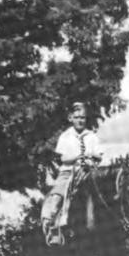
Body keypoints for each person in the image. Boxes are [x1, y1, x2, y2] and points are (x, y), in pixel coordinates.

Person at [41, 102, 103, 245]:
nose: (80, 120)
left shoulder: (92, 136)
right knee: (57, 196)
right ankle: (53, 226)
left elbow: (99, 156)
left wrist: (92, 156)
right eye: (77, 117)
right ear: (70, 118)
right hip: (68, 172)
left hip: (88, 171)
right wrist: (78, 157)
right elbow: (63, 158)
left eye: (83, 118)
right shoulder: (65, 136)